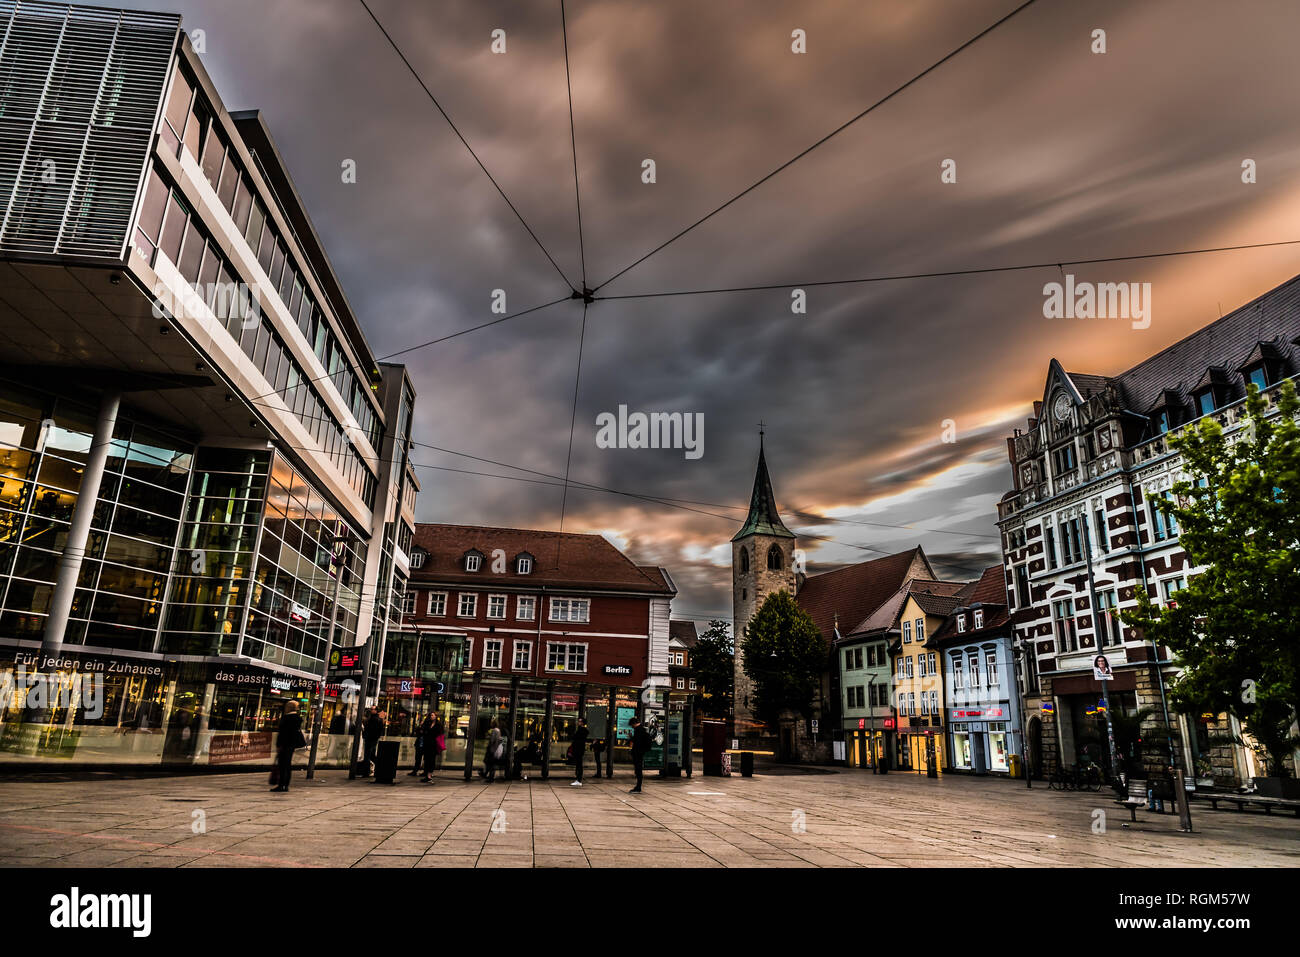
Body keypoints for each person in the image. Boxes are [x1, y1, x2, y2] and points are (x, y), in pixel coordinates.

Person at [271, 701, 304, 793]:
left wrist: (279, 745)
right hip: (291, 744)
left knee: (282, 765)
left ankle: (281, 785)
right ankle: (286, 785)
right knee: (288, 764)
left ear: (289, 707)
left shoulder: (287, 718)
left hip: (284, 744)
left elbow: (283, 733)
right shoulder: (297, 718)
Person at [629, 716, 651, 793]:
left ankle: (638, 787)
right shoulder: (641, 729)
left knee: (638, 770)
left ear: (634, 724)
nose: (631, 727)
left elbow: (637, 742)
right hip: (640, 752)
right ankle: (638, 786)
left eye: (632, 725)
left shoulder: (639, 730)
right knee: (638, 770)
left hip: (638, 753)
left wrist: (631, 738)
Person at [362, 708, 383, 777]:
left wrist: (365, 733)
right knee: (371, 755)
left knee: (368, 755)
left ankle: (366, 772)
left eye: (372, 709)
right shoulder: (377, 719)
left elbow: (369, 729)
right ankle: (377, 769)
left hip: (370, 738)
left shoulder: (372, 719)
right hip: (373, 739)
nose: (371, 710)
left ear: (376, 711)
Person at [570, 718, 590, 787]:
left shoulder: (582, 730)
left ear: (582, 722)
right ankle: (578, 779)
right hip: (579, 749)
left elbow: (575, 737)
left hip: (579, 749)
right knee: (578, 764)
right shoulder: (581, 730)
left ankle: (579, 780)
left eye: (580, 721)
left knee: (579, 764)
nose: (578, 722)